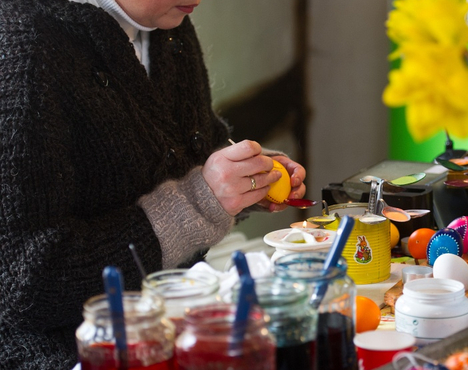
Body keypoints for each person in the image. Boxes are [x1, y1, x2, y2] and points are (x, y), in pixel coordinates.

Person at [0, 0, 307, 368]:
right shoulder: (23, 47)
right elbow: (26, 284)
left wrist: (245, 179)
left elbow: (186, 153)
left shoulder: (167, 24)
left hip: (170, 316)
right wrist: (201, 200)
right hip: (74, 351)